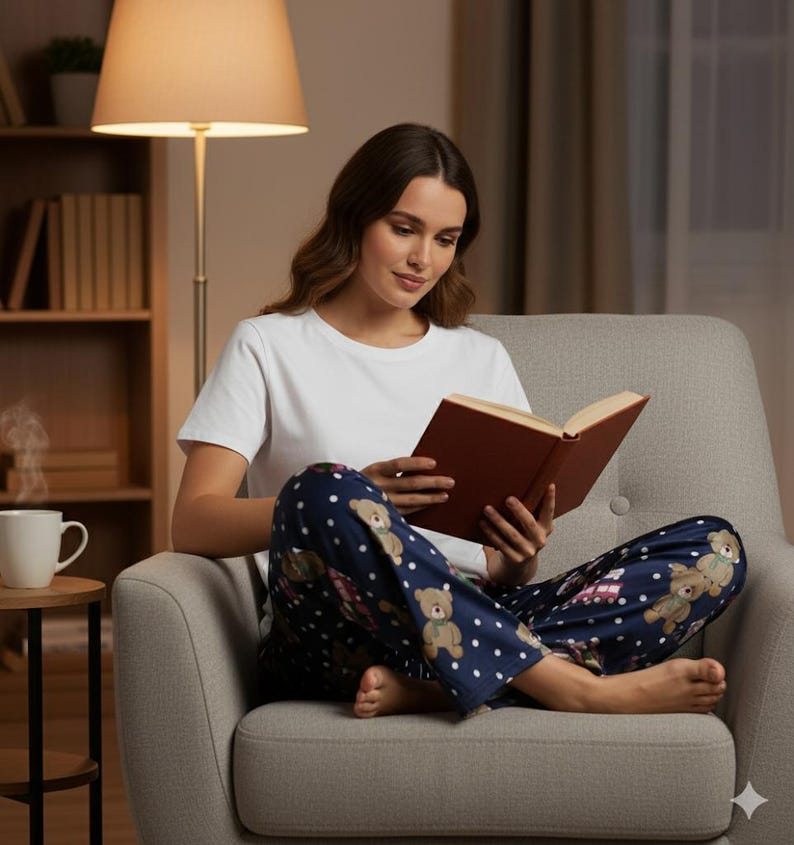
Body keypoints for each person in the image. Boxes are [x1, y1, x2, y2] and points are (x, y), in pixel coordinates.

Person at [173, 123, 746, 720]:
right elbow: (191, 523)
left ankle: (433, 688)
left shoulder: (479, 356)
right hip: (335, 634)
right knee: (326, 487)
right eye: (404, 229)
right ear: (354, 218)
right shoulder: (267, 344)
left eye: (445, 239)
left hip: (475, 619)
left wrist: (519, 554)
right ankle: (569, 686)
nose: (423, 259)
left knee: (715, 549)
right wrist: (354, 501)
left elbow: (501, 569)